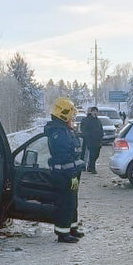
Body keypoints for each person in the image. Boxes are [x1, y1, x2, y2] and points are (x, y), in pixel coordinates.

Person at [45, 97, 86, 243]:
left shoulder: (65, 130)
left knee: (72, 202)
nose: (73, 118)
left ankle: (71, 228)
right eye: (71, 115)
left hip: (70, 174)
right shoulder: (59, 134)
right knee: (65, 203)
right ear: (63, 115)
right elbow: (65, 159)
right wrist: (72, 175)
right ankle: (63, 234)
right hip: (64, 175)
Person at [80, 106, 104, 174]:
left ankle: (90, 166)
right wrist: (87, 136)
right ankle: (92, 168)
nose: (95, 113)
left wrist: (101, 136)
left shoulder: (98, 120)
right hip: (90, 140)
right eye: (93, 111)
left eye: (96, 111)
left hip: (97, 141)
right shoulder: (86, 120)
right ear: (91, 112)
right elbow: (83, 129)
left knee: (96, 155)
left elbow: (101, 129)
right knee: (91, 155)